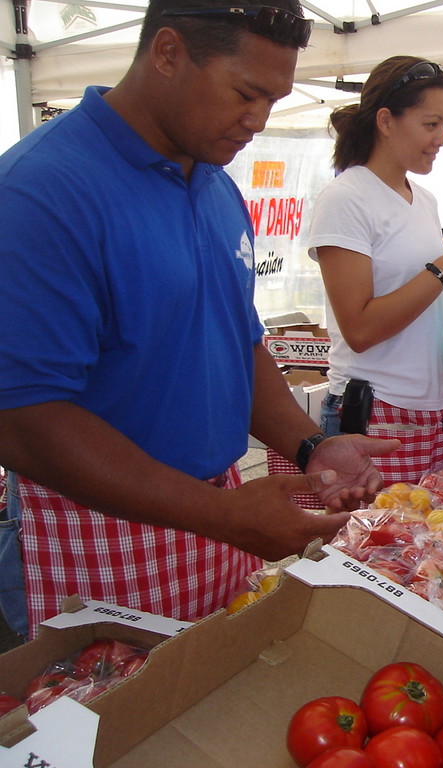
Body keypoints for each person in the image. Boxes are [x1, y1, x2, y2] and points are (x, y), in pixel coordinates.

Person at [0, 0, 400, 641]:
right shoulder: (41, 191)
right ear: (166, 54)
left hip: (214, 511)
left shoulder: (215, 186)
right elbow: (23, 420)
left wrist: (309, 445)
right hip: (99, 529)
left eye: (275, 99)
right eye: (246, 93)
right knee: (116, 727)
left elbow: (236, 341)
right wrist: (220, 513)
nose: (258, 120)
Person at [307, 56, 443, 486]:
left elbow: (421, 308)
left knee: (439, 548)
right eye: (431, 124)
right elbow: (359, 328)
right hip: (379, 413)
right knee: (384, 547)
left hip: (440, 412)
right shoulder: (347, 198)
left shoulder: (423, 199)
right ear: (386, 121)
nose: (442, 138)